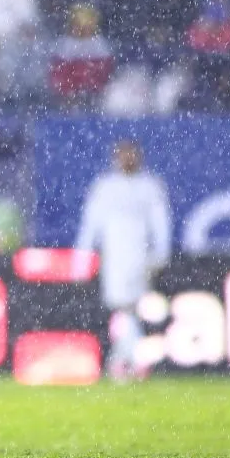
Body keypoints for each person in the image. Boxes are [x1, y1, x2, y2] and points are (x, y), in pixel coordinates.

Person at [74, 140, 171, 382]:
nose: (128, 159)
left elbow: (160, 222)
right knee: (122, 308)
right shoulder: (106, 187)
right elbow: (91, 223)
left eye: (132, 155)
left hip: (140, 256)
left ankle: (123, 361)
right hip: (114, 256)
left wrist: (161, 252)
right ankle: (130, 360)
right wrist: (82, 255)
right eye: (123, 155)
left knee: (129, 308)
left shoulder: (150, 186)